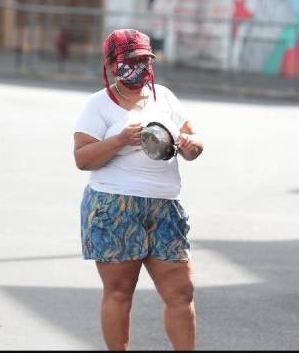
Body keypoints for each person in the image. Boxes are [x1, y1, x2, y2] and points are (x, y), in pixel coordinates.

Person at [73, 29, 203, 350]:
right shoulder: (98, 104)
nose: (140, 66)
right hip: (114, 206)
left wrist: (189, 145)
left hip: (164, 207)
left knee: (181, 291)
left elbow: (196, 141)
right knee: (119, 291)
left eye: (145, 59)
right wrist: (119, 140)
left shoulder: (164, 97)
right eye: (130, 60)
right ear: (111, 63)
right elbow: (82, 158)